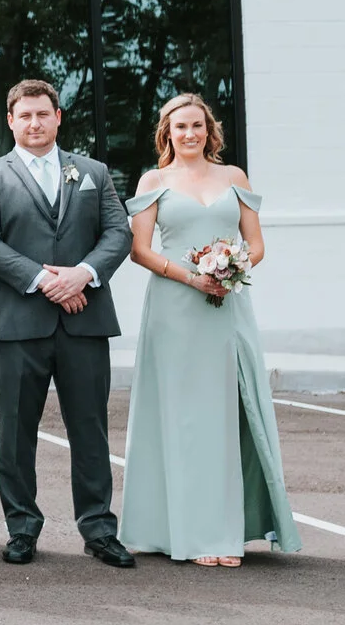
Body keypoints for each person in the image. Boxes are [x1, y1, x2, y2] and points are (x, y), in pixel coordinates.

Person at [119, 93, 301, 567]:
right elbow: (139, 250)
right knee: (182, 418)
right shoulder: (153, 181)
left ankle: (226, 532)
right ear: (167, 132)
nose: (190, 134)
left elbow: (257, 244)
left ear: (209, 130)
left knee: (225, 415)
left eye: (197, 126)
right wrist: (191, 276)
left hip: (226, 307)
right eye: (180, 127)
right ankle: (188, 532)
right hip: (174, 310)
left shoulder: (234, 178)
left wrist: (230, 269)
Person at [0, 77, 135, 568]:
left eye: (43, 114)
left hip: (85, 322)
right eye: (25, 115)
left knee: (90, 429)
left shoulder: (94, 172)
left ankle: (99, 529)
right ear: (11, 121)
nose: (34, 123)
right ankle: (21, 529)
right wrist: (44, 280)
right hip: (17, 324)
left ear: (58, 117)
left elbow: (118, 232)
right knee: (15, 435)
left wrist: (83, 274)